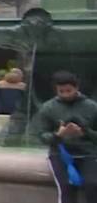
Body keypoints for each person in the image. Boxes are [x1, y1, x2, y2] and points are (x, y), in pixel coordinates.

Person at [36, 71, 97, 203]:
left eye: (69, 90)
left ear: (77, 88)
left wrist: (85, 132)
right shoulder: (48, 108)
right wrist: (58, 135)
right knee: (66, 186)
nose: (65, 94)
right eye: (61, 91)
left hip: (88, 153)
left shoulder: (92, 107)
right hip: (60, 153)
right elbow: (41, 135)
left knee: (92, 184)